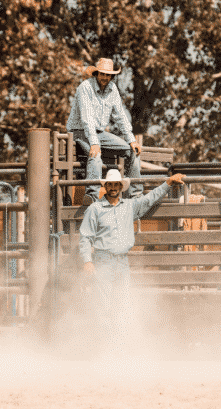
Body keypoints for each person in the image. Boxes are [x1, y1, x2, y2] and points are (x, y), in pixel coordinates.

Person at [78, 169, 185, 350]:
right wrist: (87, 261)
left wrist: (168, 183)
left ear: (121, 186)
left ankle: (119, 345)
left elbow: (149, 199)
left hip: (122, 261)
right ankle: (105, 347)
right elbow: (85, 237)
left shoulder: (129, 206)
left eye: (116, 184)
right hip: (103, 260)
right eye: (110, 184)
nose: (113, 187)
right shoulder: (94, 209)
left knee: (122, 303)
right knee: (103, 305)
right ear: (105, 186)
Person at [67, 58, 142, 205]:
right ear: (96, 73)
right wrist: (94, 143)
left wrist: (132, 139)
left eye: (108, 75)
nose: (105, 78)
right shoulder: (85, 87)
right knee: (95, 155)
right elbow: (86, 118)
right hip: (80, 130)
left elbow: (120, 116)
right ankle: (92, 195)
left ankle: (136, 195)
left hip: (99, 133)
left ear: (112, 76)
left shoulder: (112, 89)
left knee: (132, 151)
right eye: (102, 74)